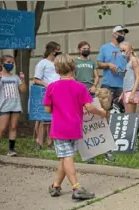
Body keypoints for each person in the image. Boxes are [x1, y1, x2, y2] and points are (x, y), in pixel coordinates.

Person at [44, 54, 107, 200]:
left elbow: (47, 110)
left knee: (66, 157)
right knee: (65, 158)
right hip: (74, 127)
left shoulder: (52, 87)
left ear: (56, 70)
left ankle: (75, 188)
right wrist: (102, 113)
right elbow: (90, 108)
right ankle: (57, 186)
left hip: (59, 128)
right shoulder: (80, 87)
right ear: (74, 68)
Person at [97, 25, 129, 162]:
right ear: (114, 34)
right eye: (121, 32)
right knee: (105, 114)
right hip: (108, 84)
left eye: (124, 33)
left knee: (120, 114)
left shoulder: (125, 49)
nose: (122, 34)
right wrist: (109, 65)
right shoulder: (105, 48)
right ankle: (103, 143)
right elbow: (98, 63)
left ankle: (118, 143)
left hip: (121, 85)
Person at [0, 55, 27, 162]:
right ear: (2, 63)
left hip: (15, 105)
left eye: (12, 63)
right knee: (2, 128)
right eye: (8, 62)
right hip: (4, 106)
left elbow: (23, 90)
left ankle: (11, 149)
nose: (10, 64)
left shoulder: (15, 77)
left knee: (13, 127)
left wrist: (22, 79)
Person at [75, 40, 100, 164]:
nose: (86, 50)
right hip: (78, 92)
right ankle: (78, 147)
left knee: (90, 119)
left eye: (88, 48)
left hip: (90, 92)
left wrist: (95, 85)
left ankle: (92, 149)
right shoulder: (75, 62)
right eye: (84, 48)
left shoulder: (92, 62)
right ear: (79, 50)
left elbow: (96, 76)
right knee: (78, 119)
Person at [34, 41, 62, 150]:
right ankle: (39, 141)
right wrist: (47, 85)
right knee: (42, 118)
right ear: (53, 51)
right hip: (46, 92)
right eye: (58, 49)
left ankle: (50, 142)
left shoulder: (57, 63)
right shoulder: (43, 63)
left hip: (57, 92)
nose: (60, 52)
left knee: (52, 118)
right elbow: (36, 79)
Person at [119, 41, 139, 113]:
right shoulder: (127, 62)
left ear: (130, 50)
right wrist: (122, 94)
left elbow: (138, 77)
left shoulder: (134, 60)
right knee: (127, 118)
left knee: (131, 118)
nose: (122, 52)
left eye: (124, 50)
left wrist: (132, 94)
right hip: (127, 91)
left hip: (132, 92)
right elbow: (127, 80)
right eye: (121, 51)